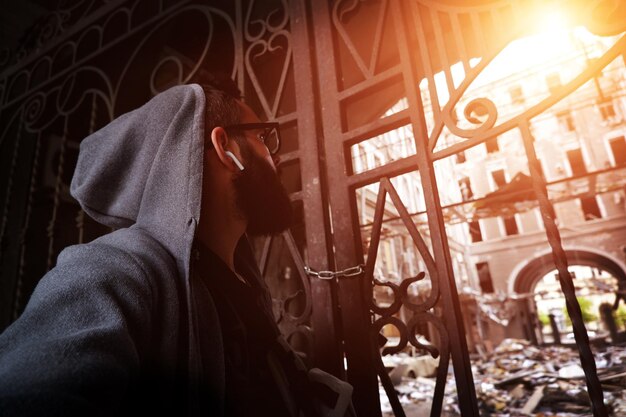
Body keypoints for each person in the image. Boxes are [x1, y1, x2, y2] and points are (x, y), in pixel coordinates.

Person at [0, 75, 354, 416]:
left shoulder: (242, 284)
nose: (275, 157)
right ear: (225, 147)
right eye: (264, 137)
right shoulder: (115, 269)